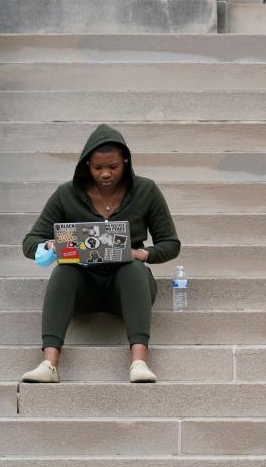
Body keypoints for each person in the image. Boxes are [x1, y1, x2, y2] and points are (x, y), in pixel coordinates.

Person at [20, 124, 181, 383]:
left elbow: (171, 244)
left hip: (127, 289)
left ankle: (139, 362)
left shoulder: (146, 191)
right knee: (64, 270)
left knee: (132, 268)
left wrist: (141, 254)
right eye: (98, 168)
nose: (106, 174)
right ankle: (49, 364)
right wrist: (53, 246)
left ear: (125, 163)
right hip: (83, 290)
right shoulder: (66, 194)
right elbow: (30, 241)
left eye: (113, 167)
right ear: (86, 166)